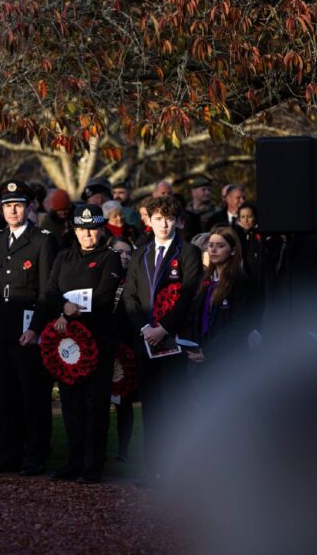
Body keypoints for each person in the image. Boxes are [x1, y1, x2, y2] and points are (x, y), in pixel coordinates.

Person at [0, 181, 57, 476]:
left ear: (28, 207)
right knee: (4, 396)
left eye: (18, 205)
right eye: (8, 205)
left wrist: (36, 328)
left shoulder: (42, 240)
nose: (12, 210)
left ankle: (36, 454)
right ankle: (9, 452)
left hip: (27, 329)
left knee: (33, 396)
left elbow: (48, 290)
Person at [122, 195, 202, 485]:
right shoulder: (141, 253)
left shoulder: (189, 252)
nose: (164, 224)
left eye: (169, 218)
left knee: (174, 407)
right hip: (145, 342)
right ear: (149, 220)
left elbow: (188, 295)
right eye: (158, 218)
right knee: (152, 407)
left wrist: (164, 329)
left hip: (175, 342)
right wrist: (145, 327)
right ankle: (154, 470)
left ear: (177, 220)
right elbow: (129, 296)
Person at [45, 205, 123, 484]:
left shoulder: (110, 258)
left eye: (92, 229)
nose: (87, 234)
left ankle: (93, 465)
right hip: (67, 342)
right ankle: (74, 461)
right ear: (74, 230)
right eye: (82, 229)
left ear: (100, 230)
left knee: (96, 405)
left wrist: (70, 307)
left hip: (97, 340)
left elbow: (103, 297)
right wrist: (63, 307)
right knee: (71, 403)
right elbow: (50, 291)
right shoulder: (64, 257)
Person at [187, 227, 258, 369]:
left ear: (232, 250)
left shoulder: (241, 282)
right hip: (201, 355)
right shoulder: (204, 282)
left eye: (220, 246)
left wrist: (209, 352)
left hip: (227, 359)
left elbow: (240, 326)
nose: (213, 250)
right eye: (211, 245)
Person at [108, 236, 137, 462]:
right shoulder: (101, 275)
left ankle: (123, 451)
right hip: (100, 344)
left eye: (128, 252)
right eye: (119, 252)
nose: (124, 256)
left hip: (125, 347)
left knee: (123, 403)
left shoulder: (134, 280)